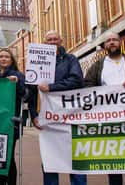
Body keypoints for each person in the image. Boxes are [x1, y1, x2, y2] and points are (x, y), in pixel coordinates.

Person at [84, 31, 125, 185]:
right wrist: (101, 93)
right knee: (113, 162)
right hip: (109, 122)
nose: (112, 42)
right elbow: (87, 85)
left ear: (120, 43)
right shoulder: (97, 66)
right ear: (104, 46)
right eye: (109, 41)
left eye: (115, 40)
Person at [28, 31, 86, 185]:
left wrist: (52, 87)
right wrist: (33, 115)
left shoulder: (71, 59)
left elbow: (77, 80)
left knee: (75, 157)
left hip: (69, 116)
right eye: (49, 40)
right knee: (50, 159)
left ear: (61, 41)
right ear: (44, 42)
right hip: (47, 117)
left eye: (55, 39)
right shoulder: (36, 61)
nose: (52, 42)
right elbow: (32, 92)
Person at [0, 47, 27, 185]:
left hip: (10, 122)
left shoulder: (18, 75)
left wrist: (17, 83)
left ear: (11, 60)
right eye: (1, 56)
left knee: (8, 156)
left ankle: (10, 182)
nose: (3, 59)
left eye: (7, 57)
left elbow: (25, 95)